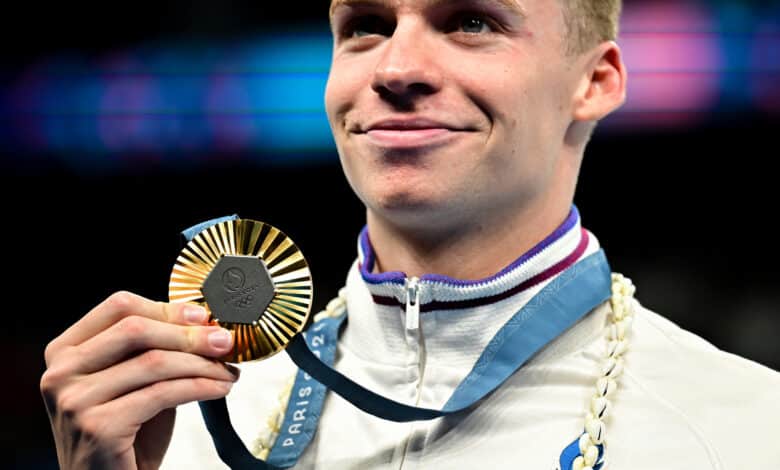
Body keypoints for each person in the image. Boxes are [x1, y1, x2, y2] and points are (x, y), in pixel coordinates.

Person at [40, 0, 780, 469]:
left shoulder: (751, 431)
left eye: (471, 21)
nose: (396, 67)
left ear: (596, 80)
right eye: (365, 25)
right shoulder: (176, 426)